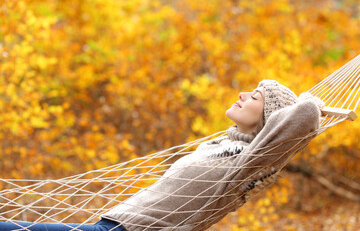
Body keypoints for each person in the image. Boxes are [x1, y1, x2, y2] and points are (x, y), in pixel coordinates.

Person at [0, 80, 321, 231]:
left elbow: (304, 114)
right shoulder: (219, 147)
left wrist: (309, 100)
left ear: (268, 118)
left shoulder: (247, 164)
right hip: (112, 224)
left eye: (254, 96)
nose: (241, 94)